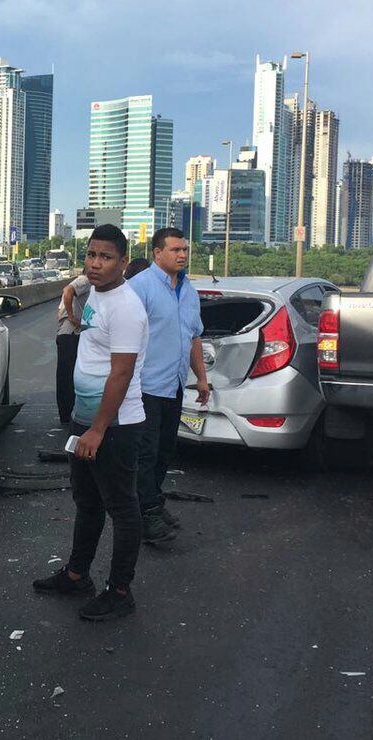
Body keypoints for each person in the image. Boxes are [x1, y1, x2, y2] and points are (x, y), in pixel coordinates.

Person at [33, 224, 149, 621]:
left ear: (123, 262)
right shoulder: (97, 293)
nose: (96, 264)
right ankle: (77, 574)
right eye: (91, 255)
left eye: (106, 257)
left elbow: (121, 373)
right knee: (87, 502)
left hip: (115, 425)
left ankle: (120, 591)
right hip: (86, 419)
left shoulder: (127, 307)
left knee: (122, 507)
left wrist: (98, 429)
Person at [128, 228, 210, 544]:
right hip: (144, 386)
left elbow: (193, 337)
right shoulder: (140, 287)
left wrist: (201, 378)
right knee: (146, 454)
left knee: (165, 452)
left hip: (173, 385)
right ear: (157, 253)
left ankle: (152, 502)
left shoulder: (188, 290)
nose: (182, 255)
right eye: (176, 249)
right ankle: (146, 514)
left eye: (185, 249)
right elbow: (124, 337)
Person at [56, 270, 92, 427]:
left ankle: (66, 414)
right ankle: (67, 414)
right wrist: (72, 317)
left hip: (69, 334)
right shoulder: (85, 281)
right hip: (71, 334)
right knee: (69, 376)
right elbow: (68, 291)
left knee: (66, 375)